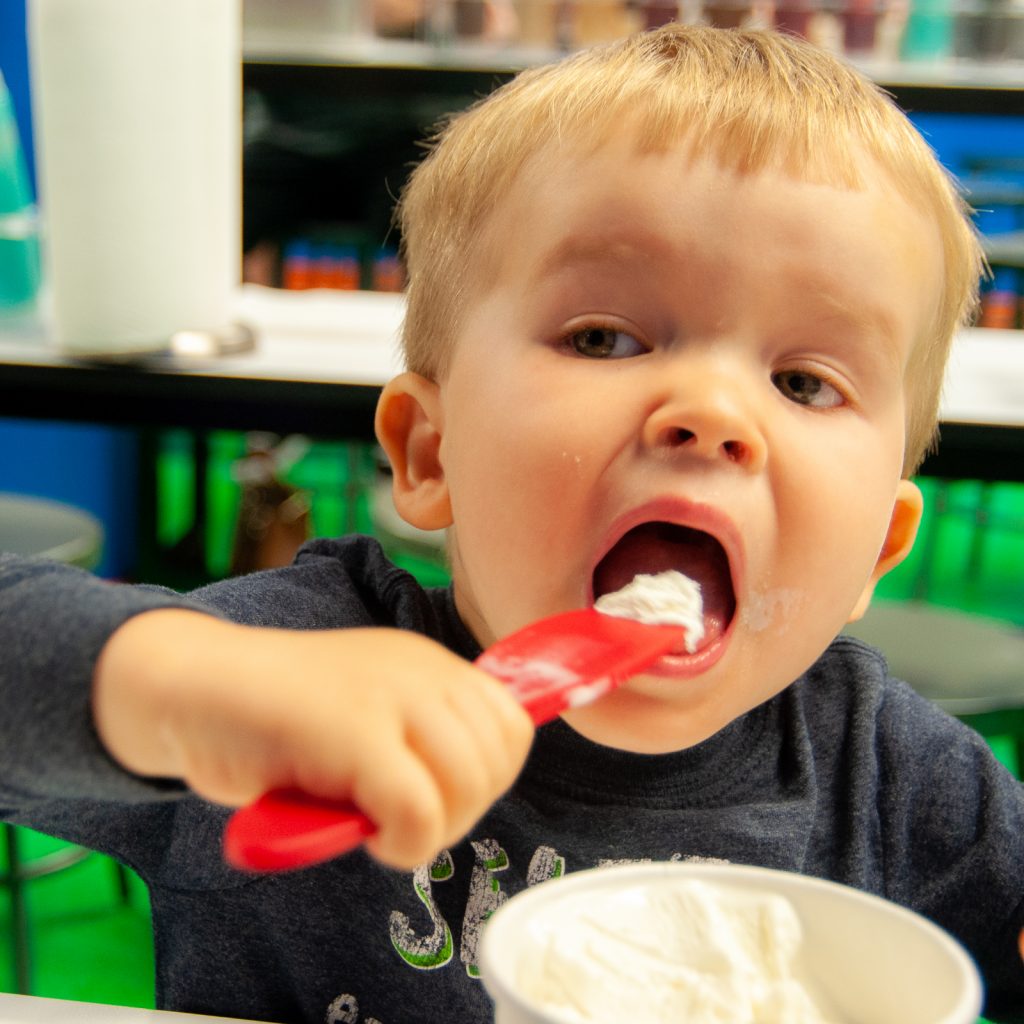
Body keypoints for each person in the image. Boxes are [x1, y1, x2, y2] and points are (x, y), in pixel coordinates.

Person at [2, 23, 1021, 1024]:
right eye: (604, 336)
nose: (711, 412)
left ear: (875, 553)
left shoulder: (893, 780)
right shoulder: (298, 674)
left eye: (804, 380)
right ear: (429, 453)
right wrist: (172, 687)